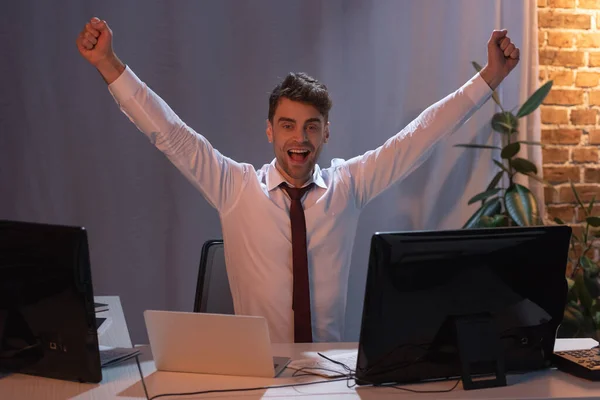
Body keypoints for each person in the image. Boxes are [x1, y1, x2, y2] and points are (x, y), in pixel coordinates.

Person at [76, 17, 520, 344]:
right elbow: (168, 132)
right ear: (270, 131)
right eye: (287, 125)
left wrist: (489, 78)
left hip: (334, 373)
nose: (299, 138)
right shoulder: (234, 188)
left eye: (311, 126)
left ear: (327, 132)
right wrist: (108, 62)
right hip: (257, 374)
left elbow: (419, 135)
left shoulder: (349, 186)